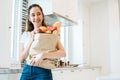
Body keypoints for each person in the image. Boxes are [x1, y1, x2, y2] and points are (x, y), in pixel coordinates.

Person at [19, 4, 66, 80]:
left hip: (43, 71)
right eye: (33, 15)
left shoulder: (50, 32)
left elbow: (63, 53)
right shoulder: (26, 34)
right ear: (29, 18)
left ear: (42, 16)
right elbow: (21, 58)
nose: (36, 17)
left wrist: (43, 55)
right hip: (26, 70)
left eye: (38, 14)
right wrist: (31, 40)